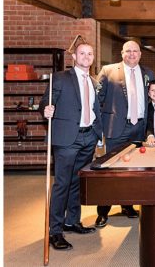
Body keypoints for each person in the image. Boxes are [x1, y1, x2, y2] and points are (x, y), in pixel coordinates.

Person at [40, 41, 102, 250]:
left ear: (93, 58)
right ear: (74, 57)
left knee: (77, 182)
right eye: (82, 53)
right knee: (62, 184)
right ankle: (55, 231)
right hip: (67, 138)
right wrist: (46, 110)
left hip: (88, 137)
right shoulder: (60, 78)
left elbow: (95, 110)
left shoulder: (94, 82)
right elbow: (45, 103)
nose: (86, 57)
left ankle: (71, 221)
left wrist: (97, 134)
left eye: (90, 54)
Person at [94, 40, 155, 227]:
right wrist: (97, 131)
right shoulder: (108, 71)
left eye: (135, 51)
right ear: (122, 53)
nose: (132, 54)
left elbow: (151, 104)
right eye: (128, 51)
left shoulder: (148, 73)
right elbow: (96, 101)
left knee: (132, 171)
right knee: (110, 171)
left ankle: (127, 206)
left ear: (140, 54)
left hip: (138, 129)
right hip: (115, 128)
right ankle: (103, 211)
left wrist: (149, 131)